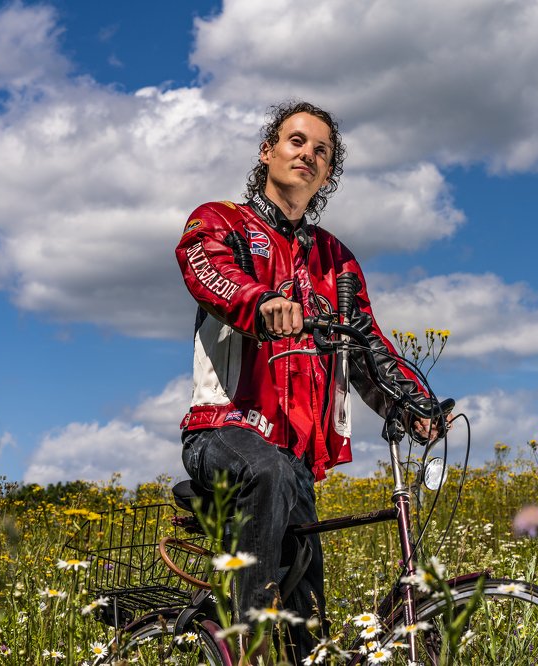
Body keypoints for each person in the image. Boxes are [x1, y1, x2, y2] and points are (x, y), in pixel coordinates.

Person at [175, 100, 433, 660]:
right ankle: (244, 642)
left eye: (322, 150)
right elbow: (204, 268)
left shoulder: (335, 259)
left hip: (296, 461)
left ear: (328, 172)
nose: (308, 155)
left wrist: (415, 404)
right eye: (296, 141)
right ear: (268, 151)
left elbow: (366, 344)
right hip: (224, 431)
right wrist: (260, 299)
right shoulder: (222, 222)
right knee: (267, 472)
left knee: (309, 627)